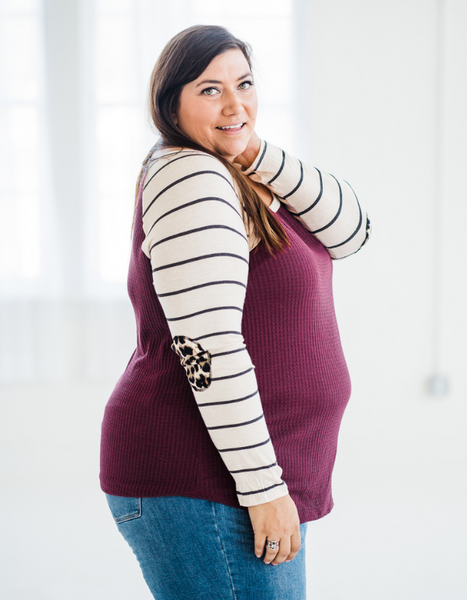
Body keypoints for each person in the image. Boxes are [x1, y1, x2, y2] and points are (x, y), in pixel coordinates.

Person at [100, 24, 371, 600]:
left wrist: (248, 145)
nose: (234, 103)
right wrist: (265, 491)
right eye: (209, 90)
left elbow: (353, 230)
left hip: (230, 481)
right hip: (207, 482)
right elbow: (208, 349)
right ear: (169, 102)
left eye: (244, 84)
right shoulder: (192, 178)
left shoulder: (232, 170)